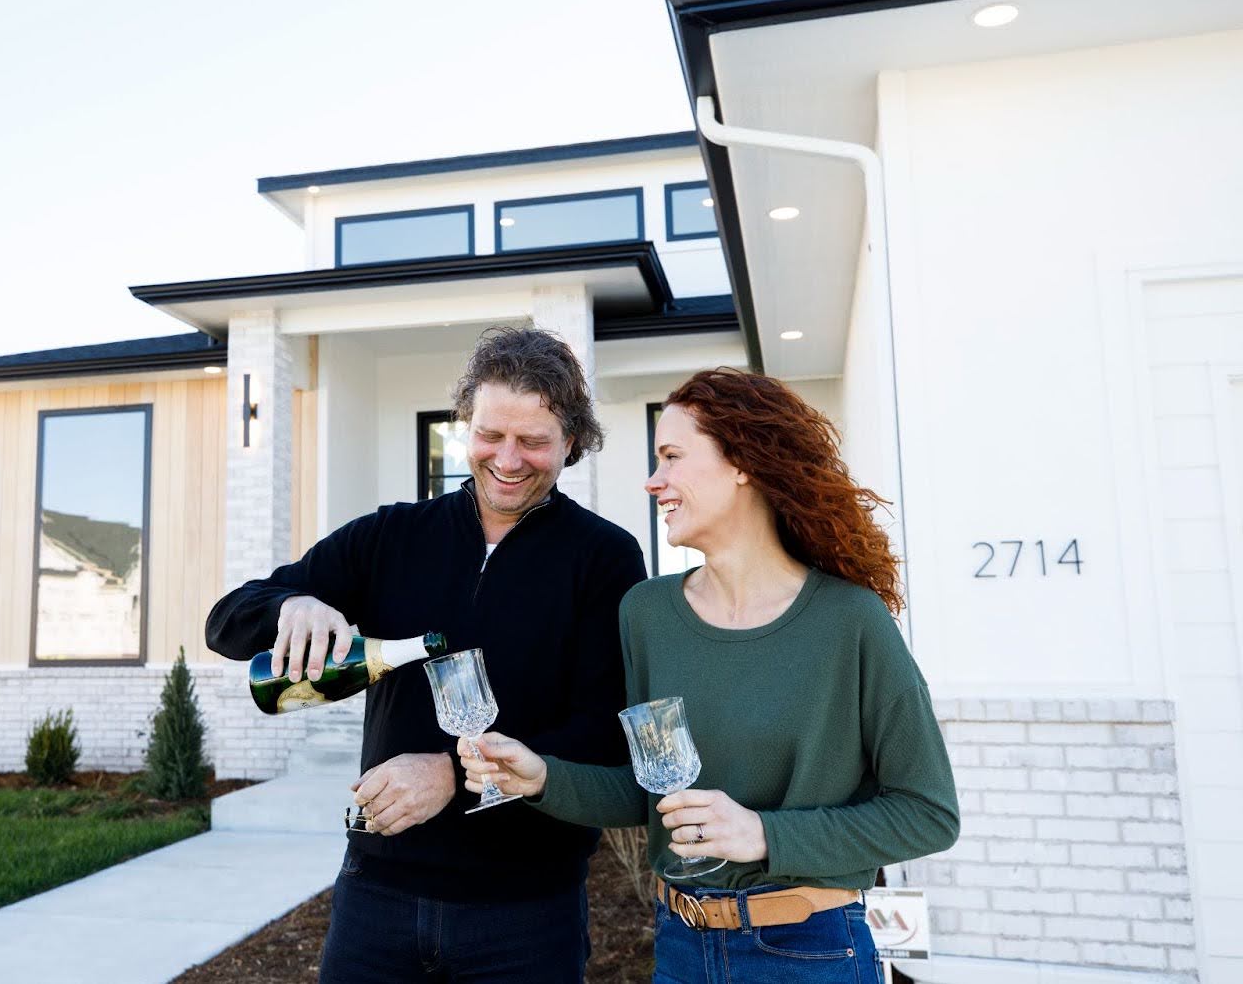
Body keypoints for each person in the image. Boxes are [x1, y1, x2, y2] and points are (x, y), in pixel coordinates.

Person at [458, 367, 960, 984]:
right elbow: (650, 795)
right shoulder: (647, 613)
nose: (653, 481)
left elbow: (929, 813)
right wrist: (541, 778)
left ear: (743, 463)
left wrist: (762, 834)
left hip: (810, 952)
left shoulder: (849, 621)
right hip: (680, 946)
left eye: (671, 456)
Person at [206, 326, 646, 984]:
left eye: (534, 442)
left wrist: (454, 772)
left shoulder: (605, 558)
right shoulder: (392, 535)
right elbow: (227, 622)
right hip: (376, 893)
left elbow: (602, 733)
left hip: (527, 909)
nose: (508, 459)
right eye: (490, 434)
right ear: (464, 422)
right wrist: (289, 606)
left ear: (571, 443)